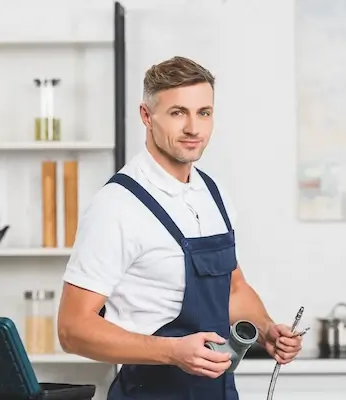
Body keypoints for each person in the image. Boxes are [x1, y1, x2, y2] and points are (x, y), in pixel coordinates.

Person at [57, 56, 303, 399]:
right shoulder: (117, 205)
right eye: (178, 113)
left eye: (204, 112)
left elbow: (233, 288)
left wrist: (266, 330)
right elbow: (72, 329)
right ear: (147, 116)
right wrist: (172, 351)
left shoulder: (213, 195)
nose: (193, 128)